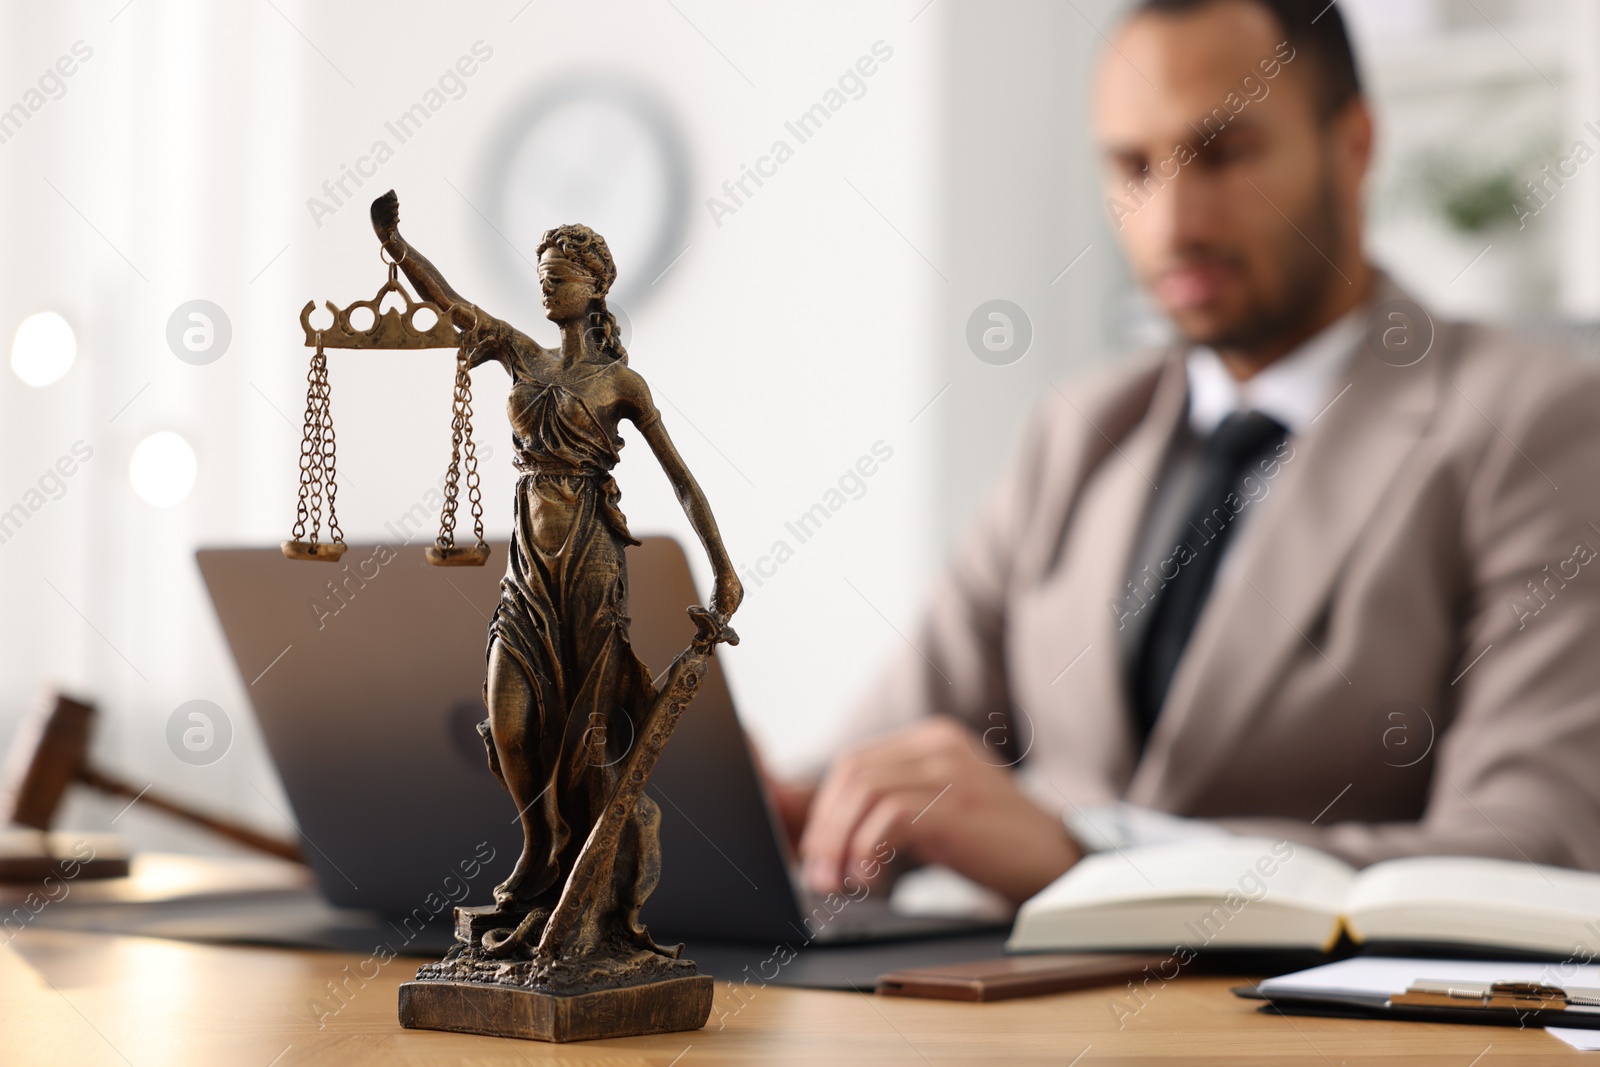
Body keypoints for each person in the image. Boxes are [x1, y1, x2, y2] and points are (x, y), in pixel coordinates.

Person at [782, 0, 1600, 905]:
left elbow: (1532, 847)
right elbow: (883, 758)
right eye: (1134, 165)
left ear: (1355, 144)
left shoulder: (1542, 422)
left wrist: (1093, 859)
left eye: (1224, 153)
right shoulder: (1079, 431)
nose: (1173, 222)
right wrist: (754, 802)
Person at [371, 192, 742, 959]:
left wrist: (724, 568)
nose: (546, 286)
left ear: (596, 286)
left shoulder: (621, 386)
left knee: (586, 735)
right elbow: (449, 304)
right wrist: (395, 245)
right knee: (510, 721)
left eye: (562, 275)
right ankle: (543, 843)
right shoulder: (518, 351)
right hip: (528, 572)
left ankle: (587, 896)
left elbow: (681, 480)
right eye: (541, 274)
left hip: (592, 568)